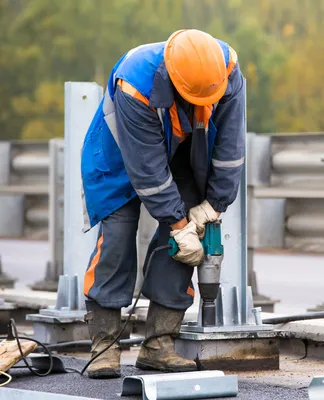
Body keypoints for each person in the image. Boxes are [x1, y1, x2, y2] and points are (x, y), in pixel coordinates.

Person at [79, 29, 245, 379]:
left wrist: (212, 206)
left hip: (184, 149)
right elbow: (148, 171)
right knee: (118, 239)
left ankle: (158, 345)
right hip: (119, 155)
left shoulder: (227, 71)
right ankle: (104, 346)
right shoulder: (135, 81)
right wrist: (177, 223)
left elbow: (230, 150)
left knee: (185, 243)